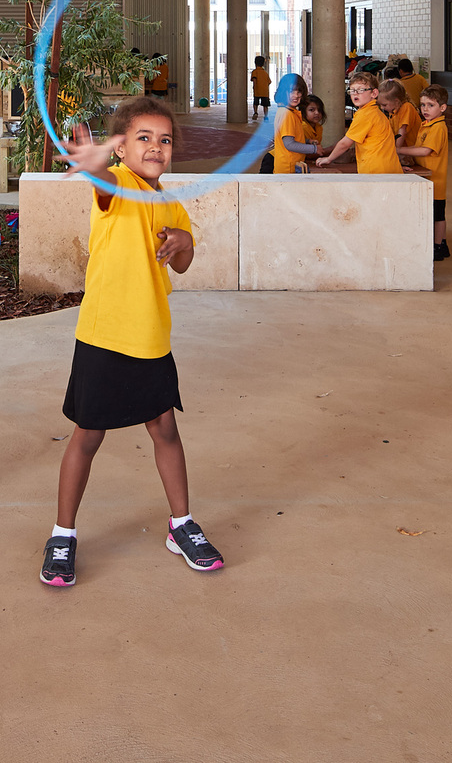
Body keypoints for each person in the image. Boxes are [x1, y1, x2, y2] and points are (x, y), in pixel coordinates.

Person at [41, 96, 219, 587]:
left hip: (151, 337)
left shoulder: (171, 203)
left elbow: (180, 262)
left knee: (164, 429)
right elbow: (102, 191)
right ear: (120, 150)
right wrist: (96, 166)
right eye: (144, 138)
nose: (156, 147)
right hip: (104, 335)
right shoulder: (119, 184)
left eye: (164, 140)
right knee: (88, 434)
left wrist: (184, 244)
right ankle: (63, 533)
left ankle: (181, 524)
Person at [398, 85, 451, 260]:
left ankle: (438, 247)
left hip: (436, 179)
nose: (425, 109)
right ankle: (441, 245)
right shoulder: (427, 124)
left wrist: (399, 151)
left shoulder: (438, 127)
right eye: (422, 105)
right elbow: (418, 148)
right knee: (435, 213)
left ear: (442, 108)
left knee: (437, 216)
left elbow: (425, 151)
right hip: (426, 177)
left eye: (430, 105)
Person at [318, 70, 401, 174]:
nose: (355, 94)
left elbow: (345, 143)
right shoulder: (375, 112)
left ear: (374, 93)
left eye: (361, 90)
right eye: (352, 90)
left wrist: (329, 159)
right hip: (387, 167)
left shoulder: (365, 115)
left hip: (375, 170)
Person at [267, 72, 319, 174]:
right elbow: (289, 144)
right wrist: (314, 149)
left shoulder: (286, 111)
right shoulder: (287, 114)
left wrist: (307, 141)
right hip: (288, 168)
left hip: (288, 166)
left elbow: (289, 136)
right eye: (291, 91)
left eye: (299, 91)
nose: (296, 95)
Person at [379, 77, 419, 150]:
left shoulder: (407, 107)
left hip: (413, 150)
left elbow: (402, 131)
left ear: (396, 101)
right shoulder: (393, 111)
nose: (382, 108)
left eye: (384, 105)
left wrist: (396, 149)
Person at [301, 95, 328, 165]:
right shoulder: (303, 126)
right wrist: (334, 149)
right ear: (303, 112)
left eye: (319, 110)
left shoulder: (319, 127)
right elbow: (308, 154)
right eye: (311, 110)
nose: (317, 113)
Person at [250, 56, 272, 121]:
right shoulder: (265, 73)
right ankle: (266, 116)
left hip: (257, 90)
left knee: (256, 103)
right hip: (265, 92)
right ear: (263, 64)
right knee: (265, 105)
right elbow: (269, 82)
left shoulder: (254, 72)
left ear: (255, 63)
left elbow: (254, 80)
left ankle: (255, 112)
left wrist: (254, 87)